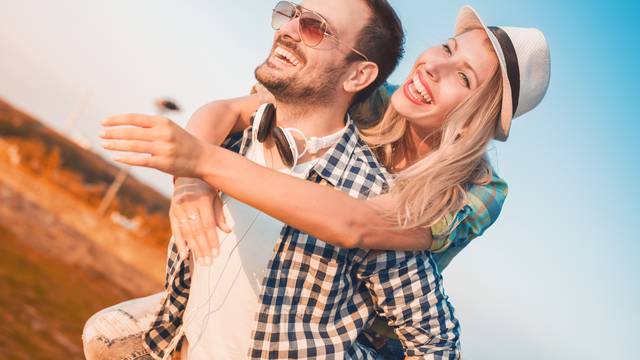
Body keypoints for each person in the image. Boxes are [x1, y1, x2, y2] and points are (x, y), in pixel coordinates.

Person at [88, 1, 466, 359]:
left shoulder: (372, 199)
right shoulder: (229, 139)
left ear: (358, 75)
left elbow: (437, 345)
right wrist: (189, 179)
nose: (287, 30)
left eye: (315, 28)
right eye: (292, 14)